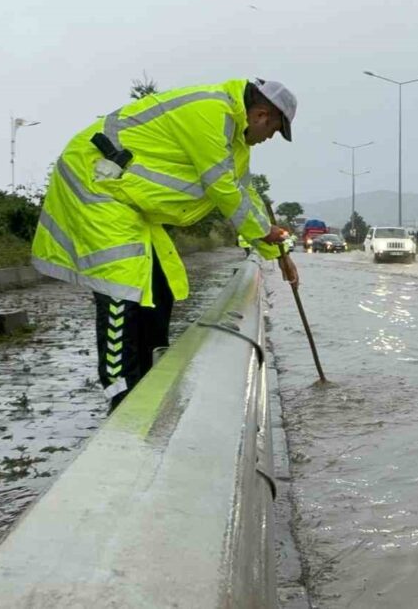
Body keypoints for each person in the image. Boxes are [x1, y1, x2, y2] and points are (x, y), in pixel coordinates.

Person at [31, 78, 300, 411]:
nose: (268, 139)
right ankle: (122, 398)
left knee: (159, 290)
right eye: (273, 131)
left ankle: (150, 384)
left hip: (130, 203)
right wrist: (264, 234)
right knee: (123, 289)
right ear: (261, 116)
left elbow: (246, 195)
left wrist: (279, 252)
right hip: (97, 186)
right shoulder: (210, 111)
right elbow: (224, 191)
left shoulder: (235, 142)